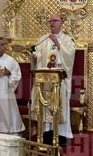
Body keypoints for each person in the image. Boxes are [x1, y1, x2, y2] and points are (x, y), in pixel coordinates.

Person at [31, 14, 75, 146]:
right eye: (50, 21)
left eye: (55, 21)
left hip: (59, 81)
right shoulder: (43, 39)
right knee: (45, 107)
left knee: (58, 106)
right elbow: (38, 55)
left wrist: (57, 43)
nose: (52, 23)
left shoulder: (67, 40)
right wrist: (34, 57)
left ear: (62, 23)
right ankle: (46, 135)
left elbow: (69, 56)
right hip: (45, 81)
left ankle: (60, 137)